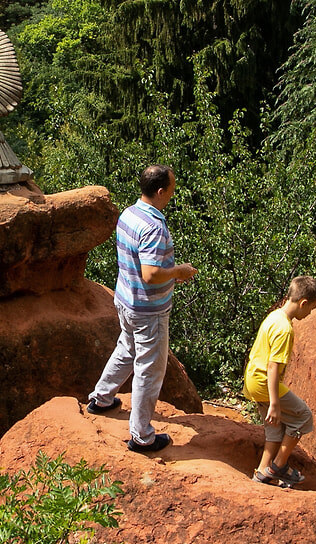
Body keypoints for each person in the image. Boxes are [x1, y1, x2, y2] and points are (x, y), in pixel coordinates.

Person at [86, 165, 198, 453]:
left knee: (127, 348)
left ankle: (101, 399)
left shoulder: (129, 213)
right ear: (160, 191)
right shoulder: (153, 226)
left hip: (126, 300)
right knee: (148, 370)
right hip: (149, 309)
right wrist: (178, 271)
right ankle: (142, 437)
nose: (173, 193)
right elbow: (150, 274)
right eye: (171, 189)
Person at [243, 276, 316, 487]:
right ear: (303, 302)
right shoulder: (285, 329)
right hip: (263, 382)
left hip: (252, 380)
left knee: (275, 428)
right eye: (311, 308)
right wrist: (275, 403)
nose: (310, 313)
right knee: (303, 417)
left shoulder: (274, 316)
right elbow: (273, 367)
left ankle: (262, 473)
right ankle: (279, 466)